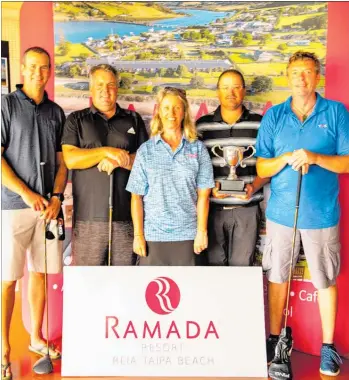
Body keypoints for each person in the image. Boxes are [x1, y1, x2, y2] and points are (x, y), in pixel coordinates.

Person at [255, 51, 349, 376]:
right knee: (278, 276)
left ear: (318, 76)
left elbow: (347, 161)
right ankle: (273, 340)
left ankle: (327, 348)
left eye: (308, 72)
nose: (302, 78)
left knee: (324, 279)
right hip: (281, 214)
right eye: (296, 72)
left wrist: (315, 157)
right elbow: (261, 166)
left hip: (322, 214)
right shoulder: (275, 116)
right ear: (288, 76)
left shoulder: (336, 112)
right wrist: (286, 158)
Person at [1, 47, 67, 379]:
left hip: (48, 211)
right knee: (8, 279)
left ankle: (36, 337)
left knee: (39, 274)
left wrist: (56, 197)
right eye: (32, 67)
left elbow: (61, 162)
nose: (38, 73)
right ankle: (3, 351)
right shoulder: (5, 105)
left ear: (50, 71)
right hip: (13, 208)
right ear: (22, 70)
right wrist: (27, 194)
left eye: (44, 68)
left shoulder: (56, 113)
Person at [62, 64, 148, 266]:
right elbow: (71, 159)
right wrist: (107, 151)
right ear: (90, 88)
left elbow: (146, 161)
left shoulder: (133, 119)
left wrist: (119, 160)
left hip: (127, 217)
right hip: (88, 218)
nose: (105, 90)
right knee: (91, 285)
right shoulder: (76, 120)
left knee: (125, 283)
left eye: (110, 85)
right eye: (99, 85)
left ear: (117, 87)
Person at [126, 87, 215, 265]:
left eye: (176, 107)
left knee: (189, 291)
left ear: (184, 112)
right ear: (159, 111)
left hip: (189, 236)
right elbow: (136, 197)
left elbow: (204, 196)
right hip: (153, 237)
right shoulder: (146, 151)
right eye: (166, 107)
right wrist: (138, 236)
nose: (171, 113)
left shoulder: (198, 149)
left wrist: (201, 232)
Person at [196, 69, 269, 266]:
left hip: (247, 210)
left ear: (244, 91)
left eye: (236, 87)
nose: (231, 92)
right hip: (211, 212)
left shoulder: (260, 124)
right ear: (217, 92)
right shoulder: (201, 126)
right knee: (213, 269)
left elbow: (268, 168)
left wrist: (253, 187)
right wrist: (210, 189)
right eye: (225, 88)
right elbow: (193, 168)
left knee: (242, 269)